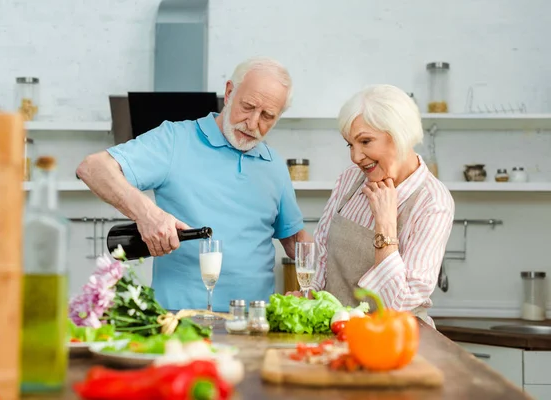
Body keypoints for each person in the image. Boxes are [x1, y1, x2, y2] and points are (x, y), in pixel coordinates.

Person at [77, 57, 311, 312]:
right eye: (248, 106)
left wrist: (314, 287)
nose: (253, 123)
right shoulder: (175, 140)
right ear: (230, 92)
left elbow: (295, 240)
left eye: (267, 116)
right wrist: (148, 214)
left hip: (254, 323)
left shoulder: (274, 164)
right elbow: (93, 168)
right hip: (181, 321)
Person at [290, 84, 454, 327]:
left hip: (392, 341)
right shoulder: (349, 180)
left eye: (365, 141)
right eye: (350, 145)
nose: (356, 157)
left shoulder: (433, 202)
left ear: (399, 134)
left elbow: (400, 306)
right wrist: (310, 295)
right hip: (336, 331)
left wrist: (385, 224)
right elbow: (322, 254)